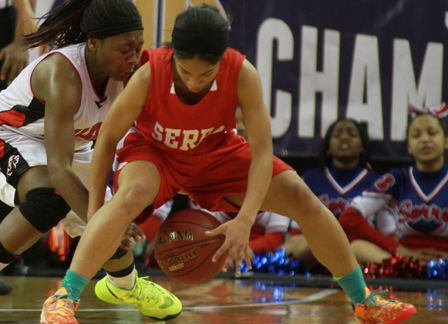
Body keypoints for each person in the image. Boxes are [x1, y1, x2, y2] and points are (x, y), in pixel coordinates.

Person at [45, 5, 418, 324]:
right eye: (185, 72)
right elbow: (107, 140)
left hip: (216, 155)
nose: (193, 81)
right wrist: (95, 210)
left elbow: (261, 152)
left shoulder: (243, 74)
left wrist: (244, 220)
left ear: (221, 61)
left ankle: (364, 301)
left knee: (303, 199)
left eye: (204, 75)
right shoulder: (149, 72)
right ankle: (63, 299)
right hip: (156, 153)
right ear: (173, 55)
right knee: (132, 194)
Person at [0, 0, 182, 322]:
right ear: (93, 44)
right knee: (51, 198)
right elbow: (59, 171)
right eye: (124, 50)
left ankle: (126, 286)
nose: (133, 58)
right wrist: (99, 219)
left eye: (138, 48)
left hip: (72, 147)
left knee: (110, 218)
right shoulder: (63, 73)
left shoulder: (132, 73)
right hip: (8, 136)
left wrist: (105, 219)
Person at [339, 105, 448, 264]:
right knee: (357, 247)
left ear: (446, 141)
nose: (425, 139)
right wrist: (399, 250)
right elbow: (349, 217)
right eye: (416, 135)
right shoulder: (397, 178)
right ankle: (410, 271)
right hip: (406, 260)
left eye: (432, 133)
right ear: (409, 147)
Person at [282, 119, 396, 268]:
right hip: (317, 249)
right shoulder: (310, 179)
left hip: (358, 250)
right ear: (328, 146)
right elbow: (296, 230)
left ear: (363, 147)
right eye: (337, 134)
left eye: (352, 134)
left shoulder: (378, 182)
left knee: (359, 248)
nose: (344, 137)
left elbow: (387, 233)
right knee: (301, 244)